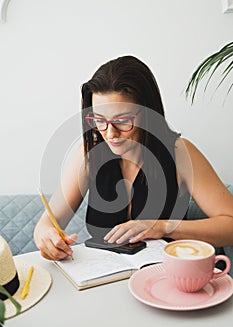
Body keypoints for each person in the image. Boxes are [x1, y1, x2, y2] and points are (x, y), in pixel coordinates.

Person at [34, 55, 233, 261]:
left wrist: (163, 227)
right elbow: (48, 222)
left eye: (121, 121)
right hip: (103, 280)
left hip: (167, 279)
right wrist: (47, 237)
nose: (110, 133)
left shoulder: (180, 153)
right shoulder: (88, 154)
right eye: (99, 120)